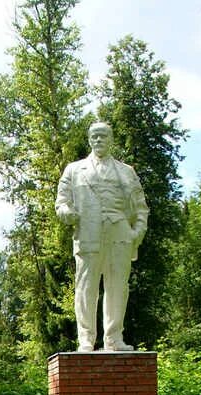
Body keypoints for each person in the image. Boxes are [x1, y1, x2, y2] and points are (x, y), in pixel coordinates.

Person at [55, 122, 148, 352]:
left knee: (118, 287)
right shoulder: (74, 170)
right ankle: (86, 339)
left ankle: (114, 338)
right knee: (86, 287)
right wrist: (67, 213)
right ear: (89, 140)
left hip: (120, 233)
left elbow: (140, 207)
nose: (99, 140)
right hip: (89, 234)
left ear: (111, 140)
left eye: (103, 136)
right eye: (95, 136)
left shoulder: (126, 171)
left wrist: (137, 232)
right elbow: (61, 202)